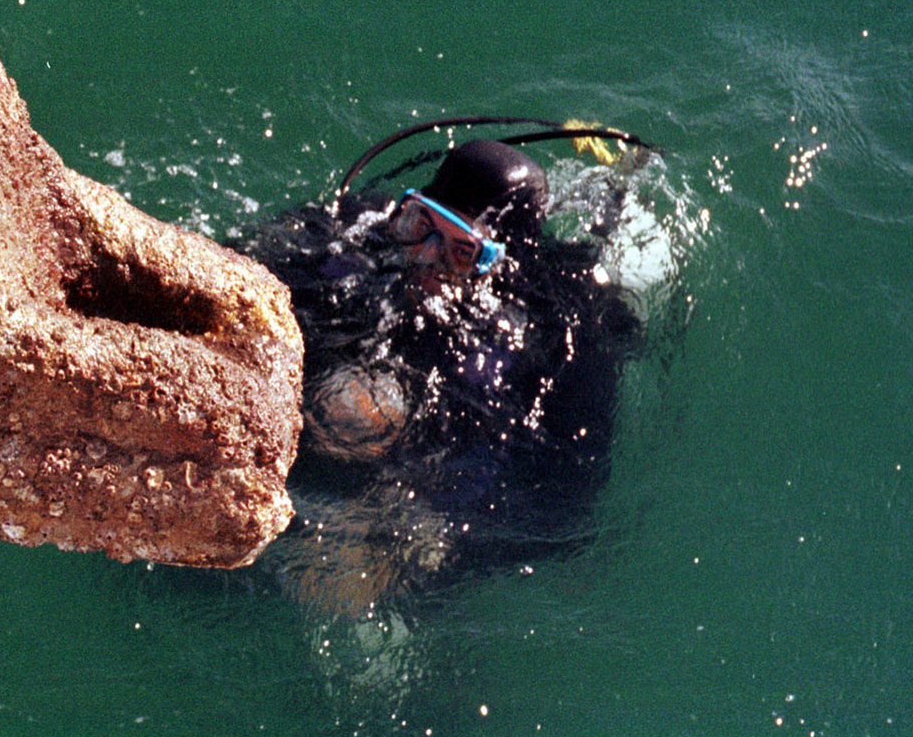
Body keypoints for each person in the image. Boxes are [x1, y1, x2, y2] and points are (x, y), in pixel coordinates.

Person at [231, 124, 651, 616]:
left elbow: (563, 499)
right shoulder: (355, 231)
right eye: (419, 226)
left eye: (459, 250)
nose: (428, 257)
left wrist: (411, 538)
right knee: (350, 409)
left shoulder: (547, 333)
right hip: (351, 413)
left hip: (431, 479)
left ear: (497, 262)